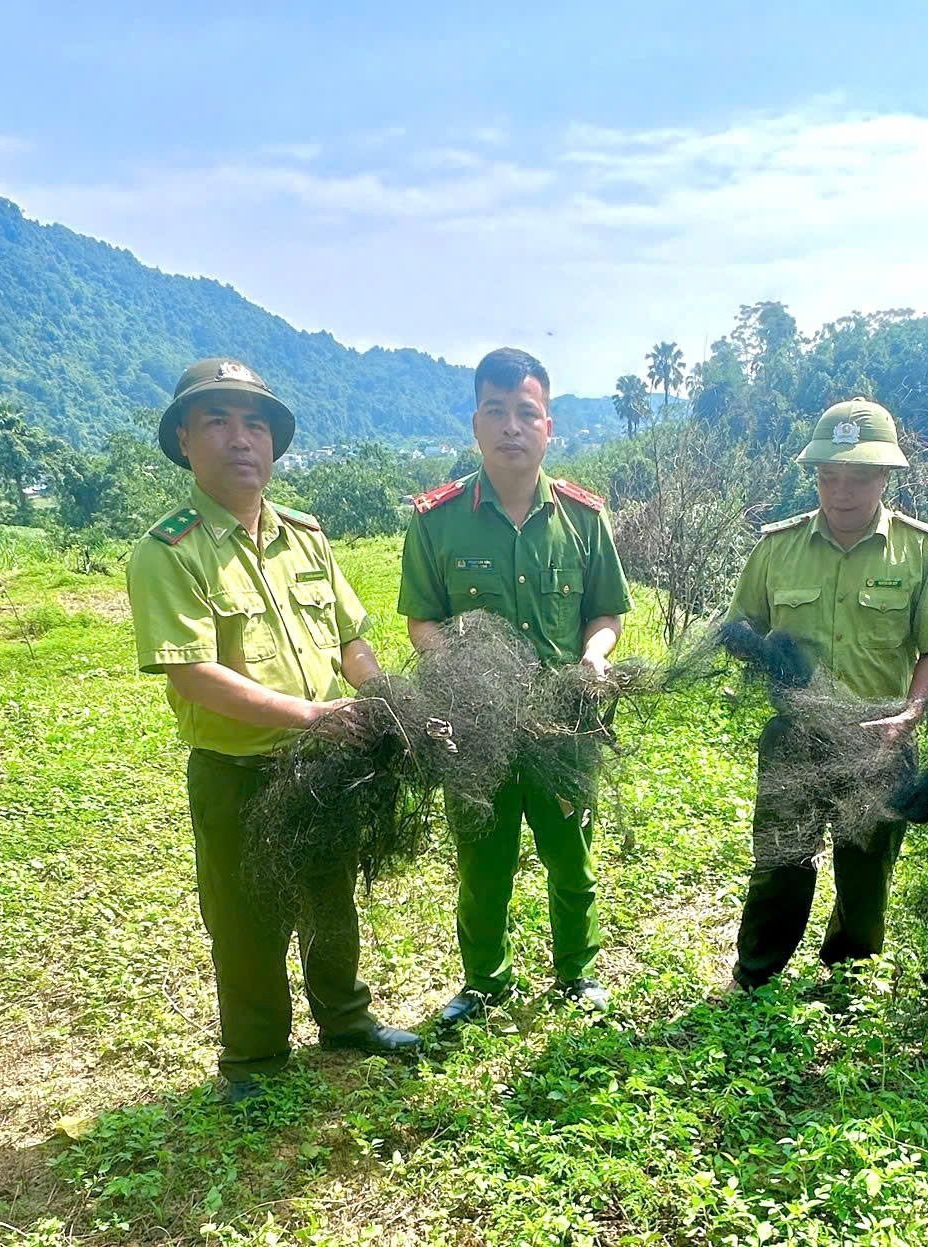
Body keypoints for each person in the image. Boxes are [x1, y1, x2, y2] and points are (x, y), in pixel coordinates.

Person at [126, 358, 420, 1105]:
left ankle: (346, 1020)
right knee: (246, 915)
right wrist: (311, 714)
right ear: (185, 441)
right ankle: (254, 1060)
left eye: (254, 421)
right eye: (217, 421)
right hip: (239, 770)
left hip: (326, 761)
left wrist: (382, 693)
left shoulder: (306, 537)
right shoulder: (168, 551)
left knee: (329, 896)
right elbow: (191, 671)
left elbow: (352, 637)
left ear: (274, 441)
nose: (239, 438)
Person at [398, 347, 633, 1024]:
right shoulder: (437, 521)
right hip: (478, 729)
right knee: (482, 863)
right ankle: (484, 984)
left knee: (572, 859)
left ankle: (578, 975)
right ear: (476, 423)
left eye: (526, 412)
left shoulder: (584, 519)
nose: (511, 427)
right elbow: (422, 621)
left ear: (548, 425)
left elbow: (607, 613)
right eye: (496, 412)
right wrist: (471, 678)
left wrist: (595, 654)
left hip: (566, 726)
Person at [726, 397, 928, 992]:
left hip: (881, 738)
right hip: (795, 737)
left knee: (866, 872)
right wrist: (768, 657)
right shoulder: (775, 548)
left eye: (858, 478)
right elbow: (739, 629)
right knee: (781, 859)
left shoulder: (918, 549)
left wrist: (911, 714)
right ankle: (756, 972)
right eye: (828, 477)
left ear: (885, 476)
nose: (841, 493)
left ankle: (847, 974)